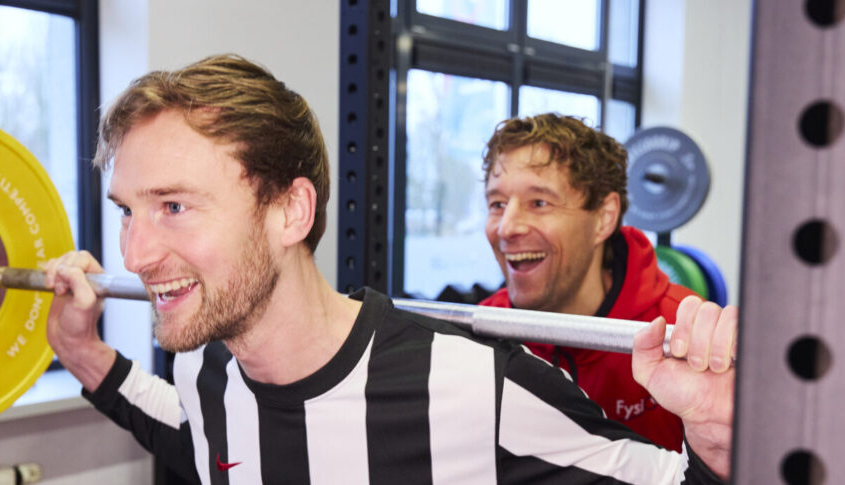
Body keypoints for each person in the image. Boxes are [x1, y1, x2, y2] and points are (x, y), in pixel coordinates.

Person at [41, 54, 738, 484]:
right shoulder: (207, 368)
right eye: (128, 210)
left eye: (173, 207)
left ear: (290, 211)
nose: (133, 254)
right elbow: (190, 435)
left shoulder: (476, 385)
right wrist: (81, 351)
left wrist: (715, 439)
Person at [475, 113, 711, 451]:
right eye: (497, 204)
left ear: (604, 218)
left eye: (539, 203)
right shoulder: (480, 338)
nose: (507, 227)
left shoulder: (682, 333)